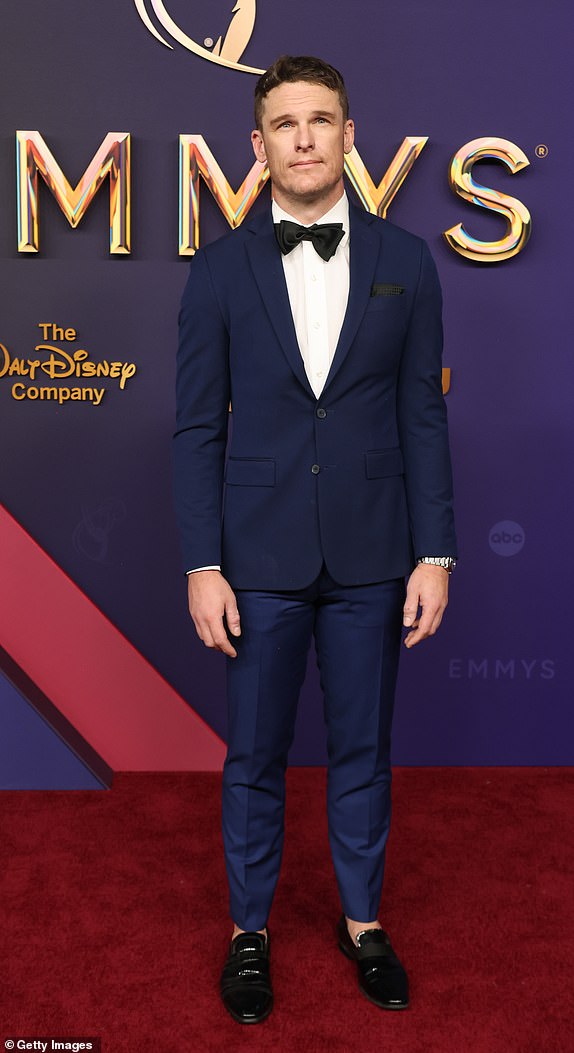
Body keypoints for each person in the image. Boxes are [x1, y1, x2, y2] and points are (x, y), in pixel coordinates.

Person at [173, 54, 457, 1024]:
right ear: (256, 147)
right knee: (253, 753)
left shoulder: (407, 263)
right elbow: (197, 428)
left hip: (377, 556)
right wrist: (202, 564)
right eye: (284, 123)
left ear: (346, 136)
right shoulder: (216, 272)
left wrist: (436, 552)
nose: (303, 137)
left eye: (320, 119)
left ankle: (362, 923)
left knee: (362, 749)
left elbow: (423, 417)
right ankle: (248, 932)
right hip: (255, 560)